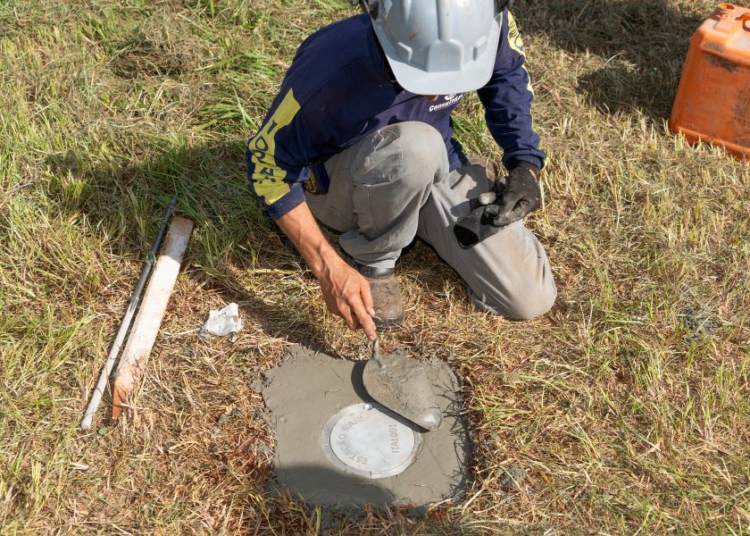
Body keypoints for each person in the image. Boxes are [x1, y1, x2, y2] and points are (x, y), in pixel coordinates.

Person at [247, 0, 556, 342]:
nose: (438, 91)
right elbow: (267, 161)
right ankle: (374, 259)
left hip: (431, 160)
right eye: (422, 73)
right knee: (417, 147)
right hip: (344, 182)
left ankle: (412, 204)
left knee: (529, 296)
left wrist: (524, 161)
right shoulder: (333, 66)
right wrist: (326, 267)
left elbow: (507, 75)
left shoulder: (480, 23)